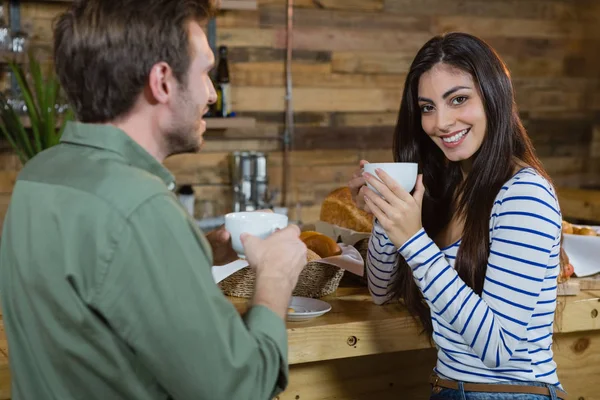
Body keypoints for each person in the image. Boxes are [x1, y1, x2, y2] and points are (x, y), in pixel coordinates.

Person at [0, 1, 307, 399]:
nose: (212, 94)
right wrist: (276, 278)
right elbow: (240, 388)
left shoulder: (39, 175)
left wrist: (192, 253)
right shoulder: (140, 208)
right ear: (162, 80)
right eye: (205, 73)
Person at [349, 32, 567, 400]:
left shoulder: (524, 194)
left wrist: (414, 241)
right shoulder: (448, 190)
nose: (441, 123)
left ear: (494, 97)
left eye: (459, 100)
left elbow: (497, 348)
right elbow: (380, 291)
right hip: (451, 389)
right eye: (428, 107)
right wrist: (386, 213)